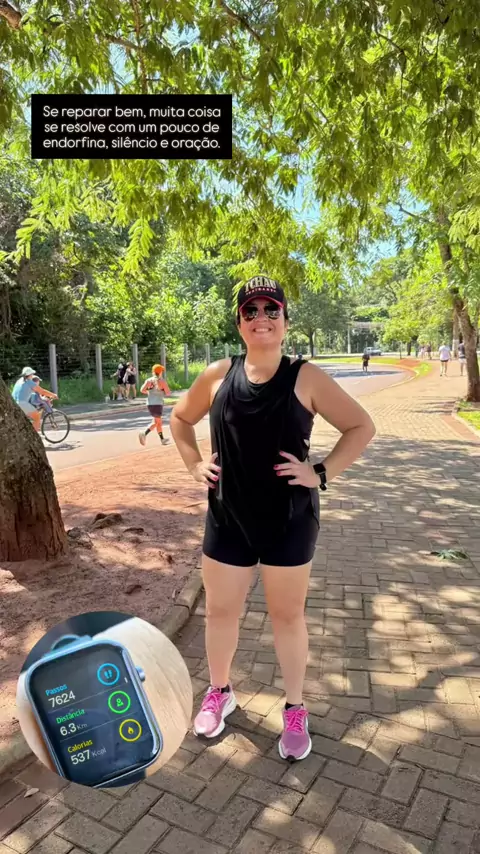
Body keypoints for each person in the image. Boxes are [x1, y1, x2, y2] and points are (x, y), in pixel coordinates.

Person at [170, 275, 376, 761]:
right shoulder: (218, 375)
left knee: (287, 616)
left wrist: (320, 472)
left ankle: (295, 708)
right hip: (228, 519)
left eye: (270, 309)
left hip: (289, 521)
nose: (260, 318)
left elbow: (361, 426)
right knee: (220, 612)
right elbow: (180, 419)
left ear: (285, 319)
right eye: (250, 310)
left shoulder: (306, 377)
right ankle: (220, 692)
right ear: (239, 322)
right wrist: (194, 464)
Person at [11, 367, 58, 432]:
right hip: (22, 404)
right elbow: (42, 391)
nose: (32, 375)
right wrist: (53, 395)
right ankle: (33, 434)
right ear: (30, 375)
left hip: (13, 402)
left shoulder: (19, 380)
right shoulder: (29, 382)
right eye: (32, 374)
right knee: (37, 417)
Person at [138, 364, 171, 446]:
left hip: (150, 404)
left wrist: (150, 393)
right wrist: (161, 392)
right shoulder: (162, 381)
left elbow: (142, 390)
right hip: (158, 404)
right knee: (156, 422)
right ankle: (144, 433)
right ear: (160, 372)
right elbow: (168, 393)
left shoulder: (149, 380)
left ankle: (162, 439)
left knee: (158, 422)